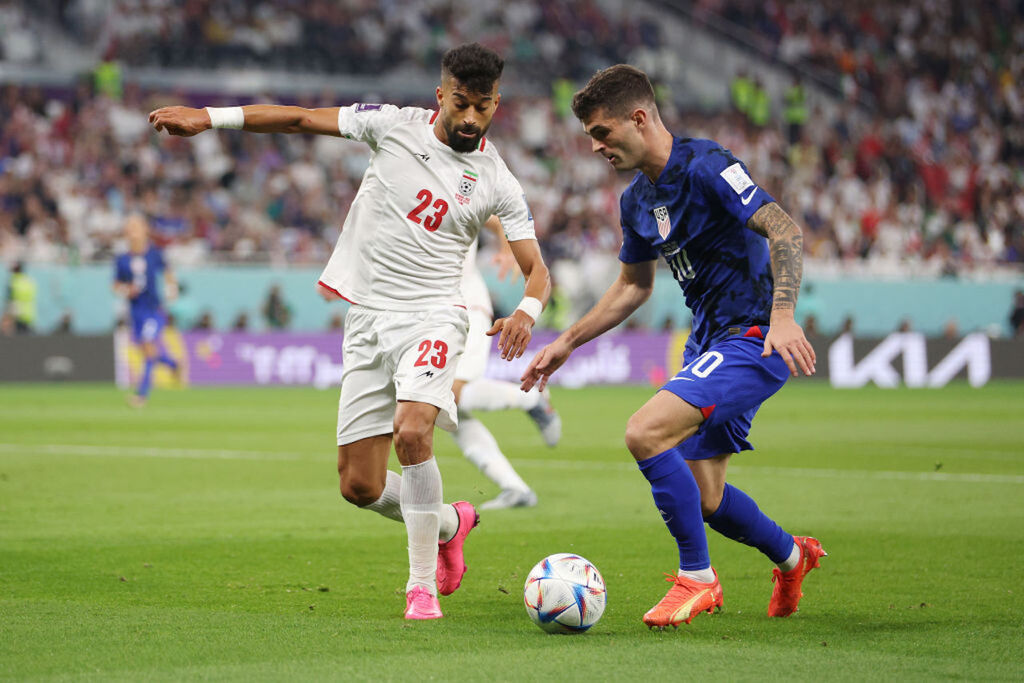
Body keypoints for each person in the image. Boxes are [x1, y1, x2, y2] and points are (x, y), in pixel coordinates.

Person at [149, 43, 551, 620]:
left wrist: (525, 313)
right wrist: (210, 119)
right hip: (368, 320)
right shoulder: (391, 127)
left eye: (482, 107)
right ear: (441, 95)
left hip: (436, 315)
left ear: (496, 104)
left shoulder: (496, 179)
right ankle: (448, 522)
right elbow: (298, 118)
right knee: (358, 486)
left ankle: (420, 589)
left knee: (413, 433)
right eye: (460, 103)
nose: (470, 118)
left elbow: (539, 270)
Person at [522, 65, 824, 629]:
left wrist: (782, 315)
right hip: (709, 341)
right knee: (707, 498)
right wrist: (567, 340)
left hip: (756, 337)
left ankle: (698, 580)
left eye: (602, 132)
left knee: (644, 431)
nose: (594, 147)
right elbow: (634, 287)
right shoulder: (637, 202)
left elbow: (783, 229)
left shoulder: (709, 165)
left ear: (639, 118)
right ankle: (792, 556)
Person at [451, 216, 561, 510]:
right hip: (432, 313)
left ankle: (532, 399)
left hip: (464, 305)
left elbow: (496, 220)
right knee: (444, 411)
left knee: (448, 395)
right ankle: (515, 488)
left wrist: (506, 248)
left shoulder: (448, 182)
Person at [113, 214, 180, 407]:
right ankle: (173, 364)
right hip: (136, 312)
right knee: (147, 352)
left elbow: (167, 272)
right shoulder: (122, 259)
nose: (131, 231)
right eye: (129, 227)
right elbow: (115, 285)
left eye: (135, 227)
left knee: (149, 348)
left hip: (153, 310)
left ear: (145, 230)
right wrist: (126, 290)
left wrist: (171, 290)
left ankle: (141, 395)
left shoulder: (154, 254)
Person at [5, 262, 37, 334]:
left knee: (18, 336)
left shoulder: (13, 281)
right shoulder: (28, 281)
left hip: (17, 313)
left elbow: (10, 298)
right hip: (29, 313)